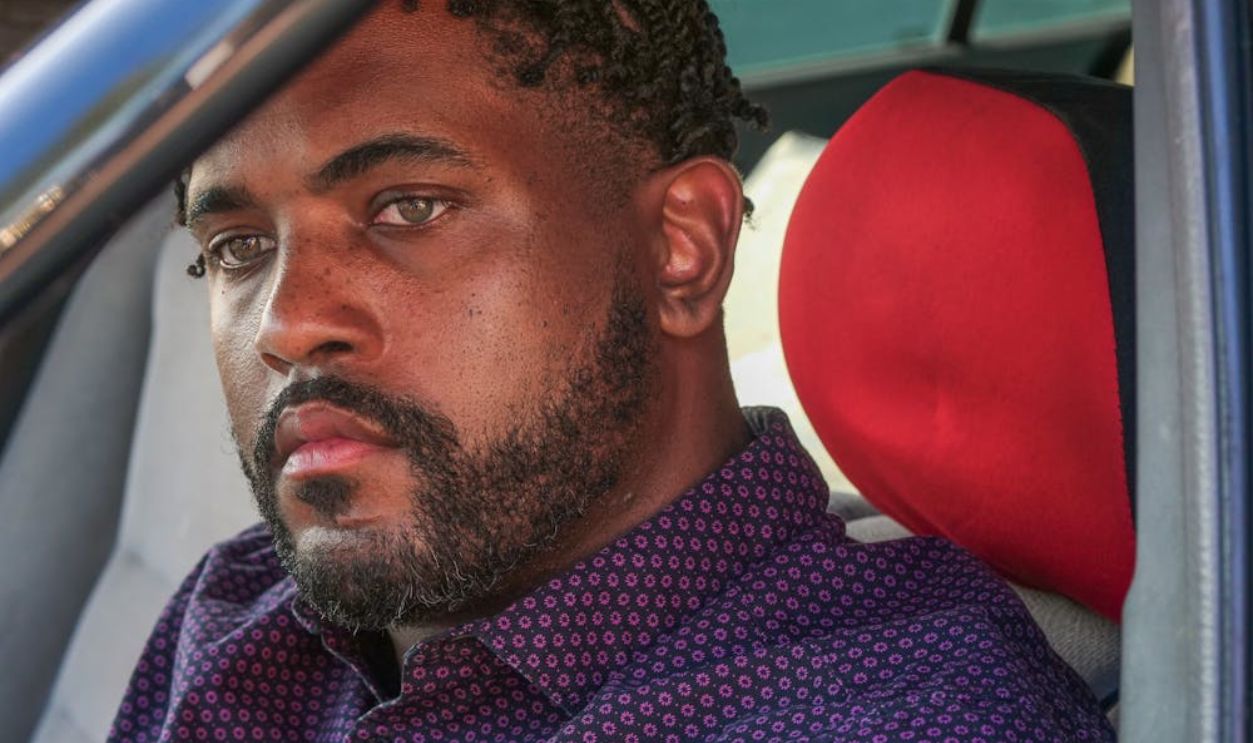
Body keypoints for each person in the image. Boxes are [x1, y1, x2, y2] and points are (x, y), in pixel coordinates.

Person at [111, 2, 1114, 740]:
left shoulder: (889, 711)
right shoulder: (242, 609)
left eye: (408, 208)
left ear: (682, 247)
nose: (286, 323)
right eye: (238, 245)